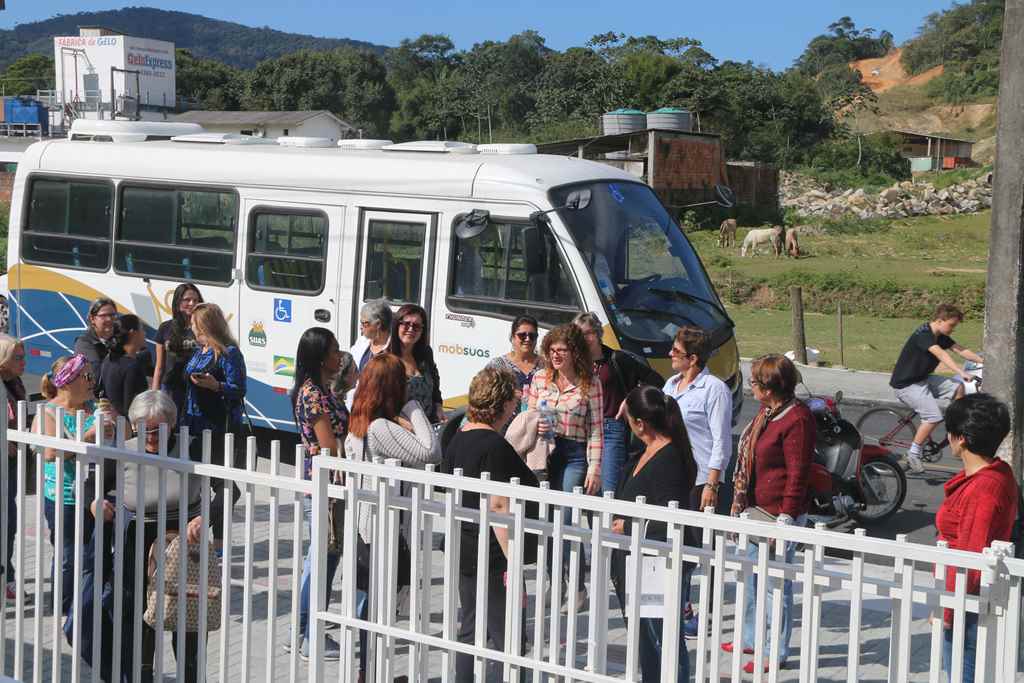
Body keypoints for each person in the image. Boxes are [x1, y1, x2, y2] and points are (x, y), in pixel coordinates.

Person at [79, 390, 215, 683]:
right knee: (141, 626)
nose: (151, 436)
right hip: (137, 549)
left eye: (158, 429)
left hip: (184, 548)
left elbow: (232, 491)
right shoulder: (124, 450)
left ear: (173, 424)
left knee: (188, 625)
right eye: (144, 429)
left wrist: (206, 516)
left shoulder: (193, 448)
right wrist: (95, 503)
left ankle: (190, 677)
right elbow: (93, 485)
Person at [345, 353, 441, 676]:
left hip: (367, 527)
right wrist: (413, 407)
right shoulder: (381, 428)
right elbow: (431, 451)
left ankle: (368, 671)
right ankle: (372, 673)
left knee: (374, 605)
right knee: (381, 608)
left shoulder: (360, 421)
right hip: (383, 530)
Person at [445, 367, 539, 682]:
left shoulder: (457, 438)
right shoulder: (494, 446)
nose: (516, 409)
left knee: (470, 630)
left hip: (465, 546)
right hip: (494, 552)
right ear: (500, 404)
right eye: (513, 402)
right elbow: (499, 505)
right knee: (507, 635)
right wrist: (514, 565)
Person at [727, 354, 814, 674]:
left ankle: (774, 650)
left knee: (775, 587)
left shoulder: (797, 419)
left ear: (770, 387)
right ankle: (751, 637)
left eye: (754, 381)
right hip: (755, 510)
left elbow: (798, 473)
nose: (750, 386)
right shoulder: (768, 412)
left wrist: (787, 518)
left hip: (778, 514)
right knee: (751, 578)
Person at [611, 385, 695, 683]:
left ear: (640, 423)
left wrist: (628, 526)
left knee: (663, 639)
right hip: (637, 559)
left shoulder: (669, 457)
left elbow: (671, 517)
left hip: (657, 561)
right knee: (646, 638)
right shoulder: (643, 453)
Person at [936, 393, 1019, 683]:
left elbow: (971, 557)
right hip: (972, 597)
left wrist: (948, 611)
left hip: (968, 602)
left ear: (960, 439)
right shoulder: (999, 472)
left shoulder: (982, 489)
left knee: (962, 673)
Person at [662, 326, 732, 636]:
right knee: (678, 545)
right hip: (675, 476)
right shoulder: (670, 385)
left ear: (692, 358)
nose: (669, 356)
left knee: (706, 550)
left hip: (703, 479)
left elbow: (722, 441)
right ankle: (682, 608)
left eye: (675, 352)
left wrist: (713, 484)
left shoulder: (714, 389)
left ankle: (711, 612)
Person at [527, 324, 602, 608]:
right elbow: (528, 415)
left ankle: (577, 586)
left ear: (575, 352)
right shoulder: (539, 379)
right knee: (546, 520)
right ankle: (553, 581)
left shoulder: (590, 382)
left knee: (568, 520)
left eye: (562, 350)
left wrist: (594, 468)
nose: (556, 355)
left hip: (573, 453)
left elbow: (596, 429)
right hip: (544, 452)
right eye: (552, 350)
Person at [289, 327, 349, 660]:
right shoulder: (312, 393)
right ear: (320, 356)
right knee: (322, 560)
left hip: (331, 482)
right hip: (325, 483)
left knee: (321, 559)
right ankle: (310, 633)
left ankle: (300, 631)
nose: (339, 356)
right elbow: (327, 444)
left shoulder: (323, 389)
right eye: (334, 350)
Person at [35, 354, 109, 615]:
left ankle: (87, 603)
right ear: (67, 381)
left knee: (92, 553)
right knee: (68, 555)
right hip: (64, 497)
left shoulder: (94, 407)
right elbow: (50, 453)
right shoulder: (50, 411)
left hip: (95, 494)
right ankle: (63, 606)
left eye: (92, 375)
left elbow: (128, 435)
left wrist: (114, 426)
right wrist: (87, 436)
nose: (92, 382)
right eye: (87, 376)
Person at [572, 311, 663, 495]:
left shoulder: (617, 359)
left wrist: (631, 399)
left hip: (611, 427)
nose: (585, 338)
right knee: (587, 491)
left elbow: (656, 381)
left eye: (589, 333)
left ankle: (608, 524)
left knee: (608, 490)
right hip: (581, 429)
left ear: (598, 333)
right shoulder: (575, 362)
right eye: (579, 334)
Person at [889, 304, 983, 474]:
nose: (953, 329)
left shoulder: (941, 334)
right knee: (933, 416)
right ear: (940, 320)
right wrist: (961, 371)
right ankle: (913, 453)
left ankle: (957, 425)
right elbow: (941, 354)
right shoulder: (924, 335)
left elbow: (961, 350)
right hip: (907, 385)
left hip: (923, 379)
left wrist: (985, 361)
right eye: (952, 325)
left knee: (957, 388)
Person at [182, 303, 246, 542]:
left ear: (208, 325)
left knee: (224, 486)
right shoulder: (201, 350)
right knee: (204, 483)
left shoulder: (229, 352)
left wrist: (215, 385)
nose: (192, 330)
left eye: (196, 325)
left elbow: (239, 389)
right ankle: (215, 541)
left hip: (218, 428)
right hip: (194, 424)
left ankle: (209, 532)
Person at [0, 334, 26, 601]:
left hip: (11, 463)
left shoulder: (14, 383)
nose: (23, 362)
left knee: (9, 523)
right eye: (17, 357)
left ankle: (7, 575)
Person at [388, 303, 444, 423]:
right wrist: (401, 422)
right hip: (400, 431)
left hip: (429, 425)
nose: (411, 329)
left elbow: (435, 387)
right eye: (406, 324)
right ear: (397, 325)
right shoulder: (385, 360)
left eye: (416, 326)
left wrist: (438, 407)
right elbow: (377, 405)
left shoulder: (426, 354)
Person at [152, 283, 203, 409]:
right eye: (187, 300)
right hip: (169, 388)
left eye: (196, 300)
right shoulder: (165, 328)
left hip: (196, 389)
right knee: (168, 427)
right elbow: (159, 367)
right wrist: (153, 396)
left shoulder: (203, 329)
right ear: (177, 302)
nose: (192, 303)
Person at [485, 315, 545, 419]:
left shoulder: (545, 366)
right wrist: (506, 394)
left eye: (532, 335)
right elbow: (484, 395)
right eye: (522, 335)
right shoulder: (499, 365)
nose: (527, 339)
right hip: (503, 427)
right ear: (512, 337)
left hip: (536, 426)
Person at [99, 314, 149, 418]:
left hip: (111, 422)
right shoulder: (131, 366)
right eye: (142, 329)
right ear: (133, 333)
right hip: (127, 428)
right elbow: (131, 406)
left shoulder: (108, 360)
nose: (145, 333)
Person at [75, 297, 118, 381]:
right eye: (103, 316)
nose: (109, 319)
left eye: (112, 315)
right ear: (92, 319)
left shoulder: (118, 338)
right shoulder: (84, 343)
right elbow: (97, 375)